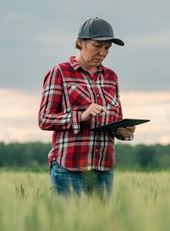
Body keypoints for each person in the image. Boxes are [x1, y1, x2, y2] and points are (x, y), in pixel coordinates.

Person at [38, 17, 135, 201]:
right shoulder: (60, 72)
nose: (103, 52)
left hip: (103, 169)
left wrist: (124, 131)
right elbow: (44, 119)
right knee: (67, 227)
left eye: (107, 48)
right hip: (69, 169)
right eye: (97, 45)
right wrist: (81, 116)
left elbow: (116, 118)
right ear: (80, 43)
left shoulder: (111, 77)